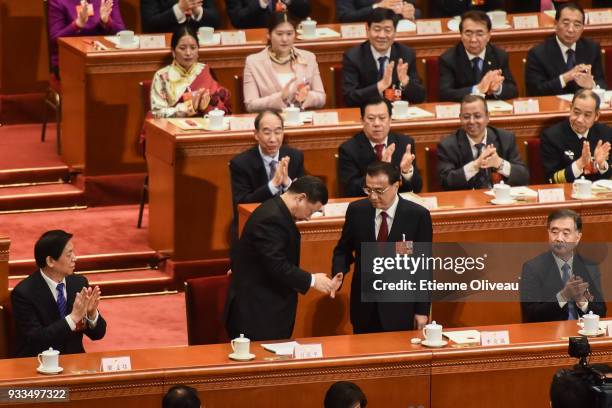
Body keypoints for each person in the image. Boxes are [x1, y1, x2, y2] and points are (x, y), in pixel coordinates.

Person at [225, 176, 342, 341]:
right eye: (311, 211)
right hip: (256, 313)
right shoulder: (271, 219)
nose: (309, 218)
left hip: (266, 310)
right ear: (300, 198)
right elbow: (277, 265)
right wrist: (313, 280)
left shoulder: (276, 211)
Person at [332, 161, 432, 334]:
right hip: (364, 308)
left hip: (400, 308)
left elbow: (423, 267)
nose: (372, 196)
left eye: (379, 191)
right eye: (368, 189)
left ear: (396, 185)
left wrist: (422, 310)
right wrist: (339, 271)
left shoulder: (417, 216)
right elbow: (343, 250)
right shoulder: (357, 210)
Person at [11, 230, 106, 357]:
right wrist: (72, 318)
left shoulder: (78, 283)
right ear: (50, 261)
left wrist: (91, 314)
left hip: (75, 364)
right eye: (69, 254)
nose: (75, 258)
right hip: (39, 364)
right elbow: (36, 341)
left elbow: (98, 334)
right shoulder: (24, 293)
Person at [520, 209, 606, 323]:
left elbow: (601, 312)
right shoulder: (532, 268)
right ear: (548, 233)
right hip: (550, 335)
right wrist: (563, 296)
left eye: (566, 233)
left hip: (583, 334)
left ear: (578, 237)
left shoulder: (589, 267)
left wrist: (582, 302)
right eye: (554, 232)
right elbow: (530, 315)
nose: (559, 238)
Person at [229, 110, 305, 240]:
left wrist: (287, 183)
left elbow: (305, 197)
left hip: (289, 226)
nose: (273, 139)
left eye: (277, 132)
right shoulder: (241, 163)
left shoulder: (294, 156)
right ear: (256, 134)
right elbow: (241, 204)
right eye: (267, 132)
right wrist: (273, 185)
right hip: (256, 228)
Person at [437, 94, 529, 190]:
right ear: (460, 118)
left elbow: (523, 177)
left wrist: (499, 163)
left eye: (477, 116)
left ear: (487, 117)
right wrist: (475, 165)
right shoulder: (448, 145)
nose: (471, 121)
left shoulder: (505, 138)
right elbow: (446, 182)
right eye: (466, 117)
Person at [338, 99, 422, 197]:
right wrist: (380, 170)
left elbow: (417, 188)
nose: (377, 123)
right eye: (371, 118)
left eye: (382, 118)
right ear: (362, 120)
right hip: (367, 205)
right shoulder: (349, 149)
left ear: (390, 119)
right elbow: (350, 190)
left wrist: (406, 172)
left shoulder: (404, 143)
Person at [342, 8, 425, 108]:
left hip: (397, 113)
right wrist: (380, 86)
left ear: (395, 32)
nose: (382, 35)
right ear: (368, 30)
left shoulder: (406, 54)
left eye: (387, 30)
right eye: (377, 29)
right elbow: (349, 98)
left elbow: (420, 97)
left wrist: (406, 81)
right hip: (368, 114)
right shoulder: (353, 57)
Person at [243, 12, 325, 112]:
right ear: (268, 35)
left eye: (289, 34)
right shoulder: (253, 62)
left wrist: (309, 96)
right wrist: (279, 97)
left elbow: (321, 97)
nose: (285, 39)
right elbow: (250, 104)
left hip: (302, 118)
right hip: (270, 122)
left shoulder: (308, 57)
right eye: (279, 34)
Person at [525, 3, 607, 97]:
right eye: (566, 23)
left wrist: (592, 85)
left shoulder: (592, 48)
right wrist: (565, 78)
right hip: (553, 107)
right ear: (555, 24)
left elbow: (602, 84)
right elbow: (535, 91)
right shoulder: (537, 53)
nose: (571, 29)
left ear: (582, 28)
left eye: (577, 25)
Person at [151, 25, 231, 118]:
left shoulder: (205, 71)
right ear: (173, 52)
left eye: (193, 48)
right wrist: (188, 108)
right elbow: (157, 113)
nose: (188, 53)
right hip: (173, 128)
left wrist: (206, 107)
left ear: (198, 51)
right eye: (182, 48)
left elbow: (220, 106)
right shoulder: (162, 76)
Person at [439, 10, 517, 102]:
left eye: (479, 34)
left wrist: (497, 88)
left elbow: (513, 90)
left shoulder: (499, 55)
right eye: (468, 34)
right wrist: (477, 89)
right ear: (461, 35)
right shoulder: (448, 59)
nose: (473, 39)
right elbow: (445, 94)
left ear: (488, 36)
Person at [541, 89, 612, 184]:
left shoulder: (606, 133)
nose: (579, 120)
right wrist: (579, 164)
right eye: (576, 112)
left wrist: (602, 165)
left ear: (596, 116)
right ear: (570, 108)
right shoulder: (552, 136)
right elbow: (551, 180)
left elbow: (608, 178)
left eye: (587, 115)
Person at [48, 0, 125, 76]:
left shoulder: (107, 1)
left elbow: (122, 34)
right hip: (70, 61)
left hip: (103, 59)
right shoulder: (58, 1)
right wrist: (76, 25)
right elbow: (55, 39)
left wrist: (107, 22)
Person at [141, 0, 220, 33]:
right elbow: (149, 24)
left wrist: (197, 10)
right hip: (166, 47)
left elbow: (216, 22)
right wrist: (179, 9)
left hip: (199, 45)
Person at [226, 0, 310, 29]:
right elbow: (236, 19)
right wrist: (261, 3)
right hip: (256, 43)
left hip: (288, 38)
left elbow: (304, 11)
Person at [336, 0, 419, 23]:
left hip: (398, 35)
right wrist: (377, 7)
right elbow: (345, 16)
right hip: (364, 39)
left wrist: (410, 13)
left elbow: (418, 11)